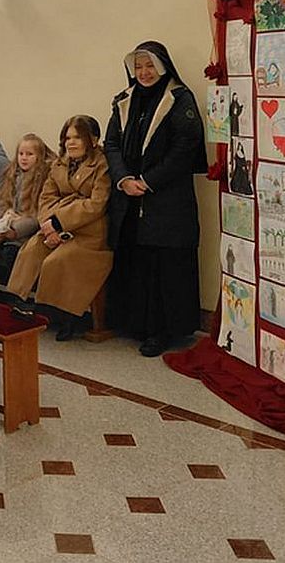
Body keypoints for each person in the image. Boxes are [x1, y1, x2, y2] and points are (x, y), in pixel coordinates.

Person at [105, 41, 207, 357]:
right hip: (129, 197)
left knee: (166, 268)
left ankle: (162, 331)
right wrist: (124, 179)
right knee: (137, 263)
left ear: (162, 67)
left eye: (150, 66)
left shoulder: (180, 99)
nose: (144, 73)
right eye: (138, 67)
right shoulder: (124, 100)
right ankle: (134, 324)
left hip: (167, 200)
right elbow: (111, 144)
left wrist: (148, 182)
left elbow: (185, 148)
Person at [6, 115, 113, 342]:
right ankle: (20, 301)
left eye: (77, 138)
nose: (71, 143)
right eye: (67, 138)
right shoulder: (59, 163)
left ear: (93, 140)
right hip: (54, 224)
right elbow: (46, 197)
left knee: (58, 260)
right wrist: (49, 226)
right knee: (32, 248)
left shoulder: (101, 165)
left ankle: (64, 316)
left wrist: (59, 222)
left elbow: (97, 204)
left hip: (88, 232)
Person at [0, 134, 55, 284]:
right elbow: (2, 202)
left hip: (26, 232)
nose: (24, 158)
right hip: (5, 226)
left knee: (11, 254)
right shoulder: (11, 174)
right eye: (21, 154)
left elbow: (39, 214)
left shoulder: (44, 179)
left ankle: (14, 291)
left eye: (29, 154)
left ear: (39, 156)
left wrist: (14, 230)